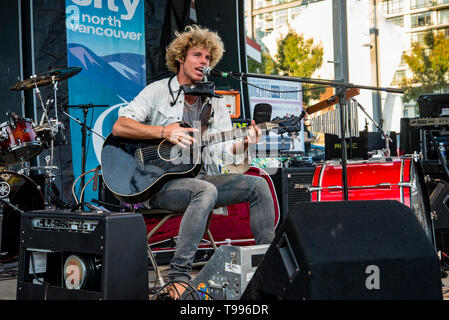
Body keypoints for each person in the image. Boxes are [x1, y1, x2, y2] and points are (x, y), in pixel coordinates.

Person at [112, 25, 275, 299]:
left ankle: (269, 268)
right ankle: (178, 277)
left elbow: (225, 152)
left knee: (258, 186)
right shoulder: (157, 92)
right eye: (197, 55)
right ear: (180, 58)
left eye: (208, 58)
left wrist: (246, 142)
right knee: (205, 190)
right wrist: (165, 132)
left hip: (200, 179)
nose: (203, 62)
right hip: (155, 184)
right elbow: (120, 126)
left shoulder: (216, 104)